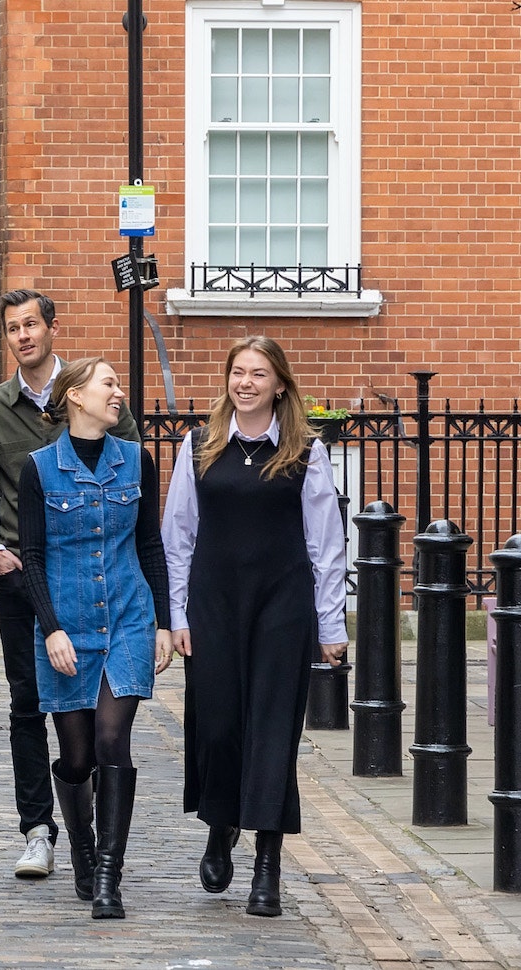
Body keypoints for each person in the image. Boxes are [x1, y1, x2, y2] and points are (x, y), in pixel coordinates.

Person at [161, 335, 346, 919]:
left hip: (282, 607)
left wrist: (331, 623)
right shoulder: (198, 447)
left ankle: (268, 863)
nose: (245, 383)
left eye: (258, 374)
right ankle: (221, 826)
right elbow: (177, 538)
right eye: (238, 372)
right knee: (216, 726)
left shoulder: (304, 452)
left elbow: (327, 544)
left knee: (272, 732)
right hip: (214, 605)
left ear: (279, 385)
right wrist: (178, 614)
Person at [0, 289, 141, 885]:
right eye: (13, 327)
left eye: (31, 324)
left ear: (51, 329)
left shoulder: (102, 400)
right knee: (29, 704)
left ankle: (91, 828)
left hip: (94, 579)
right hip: (25, 577)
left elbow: (130, 484)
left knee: (98, 718)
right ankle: (38, 830)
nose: (23, 335)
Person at [18, 357, 173, 920]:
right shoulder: (39, 469)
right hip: (67, 625)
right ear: (76, 396)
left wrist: (160, 620)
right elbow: (32, 556)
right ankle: (81, 848)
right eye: (108, 384)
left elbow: (150, 545)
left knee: (112, 738)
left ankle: (108, 874)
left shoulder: (137, 461)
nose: (118, 393)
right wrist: (51, 627)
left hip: (128, 618)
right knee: (78, 757)